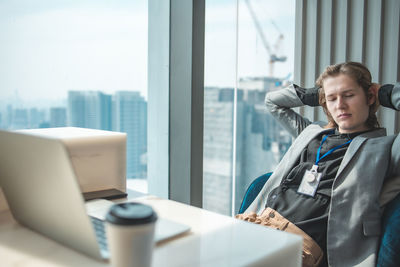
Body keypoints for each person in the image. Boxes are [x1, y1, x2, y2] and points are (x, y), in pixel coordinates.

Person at [236, 62, 400, 267]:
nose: (340, 105)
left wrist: (386, 93)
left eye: (348, 95)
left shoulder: (385, 148)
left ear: (369, 96)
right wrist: (316, 95)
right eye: (332, 98)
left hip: (299, 246)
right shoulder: (313, 132)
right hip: (258, 223)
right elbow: (272, 102)